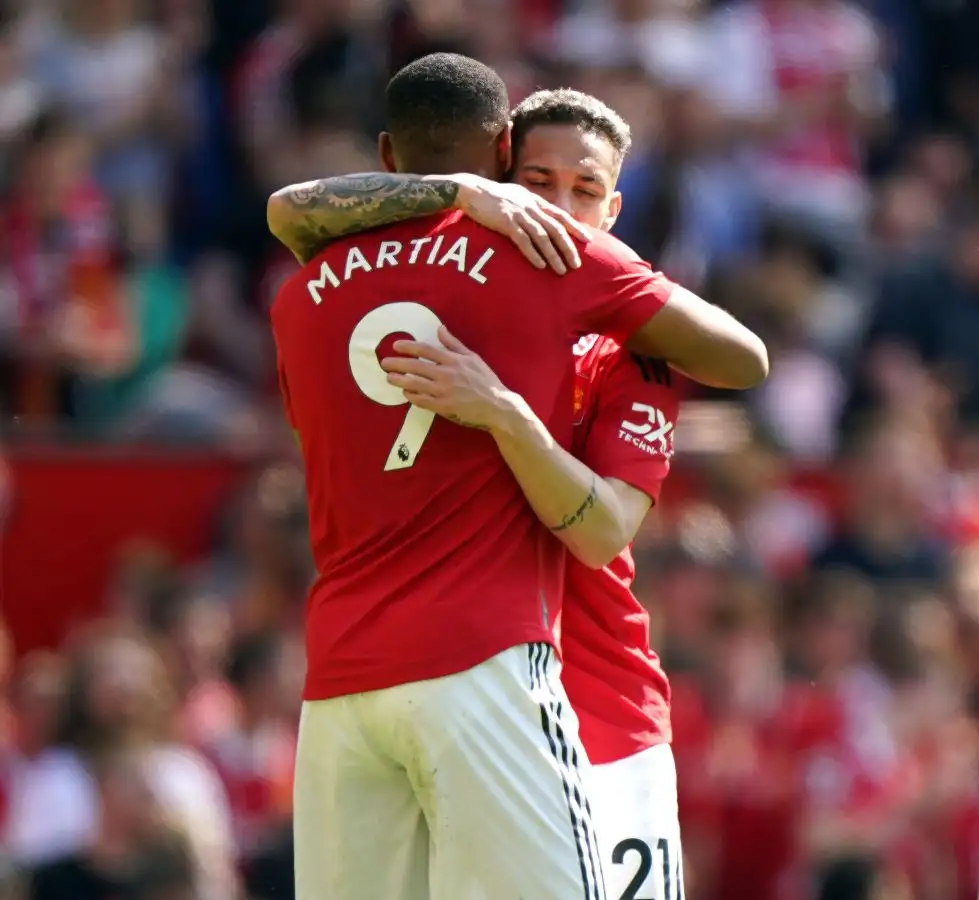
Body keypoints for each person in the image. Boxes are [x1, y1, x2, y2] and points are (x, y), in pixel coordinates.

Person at [269, 55, 765, 900]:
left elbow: (607, 529)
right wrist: (463, 198)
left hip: (593, 701)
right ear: (500, 162)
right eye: (537, 179)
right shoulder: (531, 273)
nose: (556, 207)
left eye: (584, 190)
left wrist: (504, 411)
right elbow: (746, 358)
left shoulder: (625, 343)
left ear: (614, 208)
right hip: (494, 671)